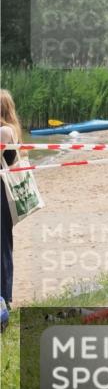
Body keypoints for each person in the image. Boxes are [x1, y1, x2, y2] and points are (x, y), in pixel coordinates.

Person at [1, 90, 23, 308]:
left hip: (2, 191)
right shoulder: (10, 128)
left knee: (2, 245)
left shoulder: (5, 131)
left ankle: (5, 297)